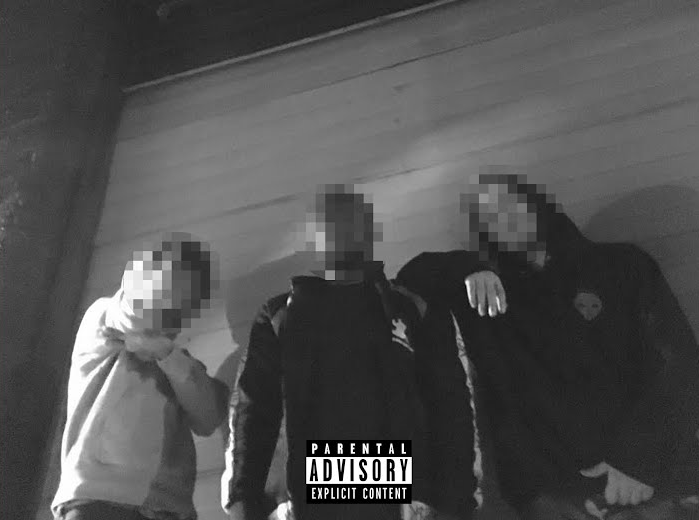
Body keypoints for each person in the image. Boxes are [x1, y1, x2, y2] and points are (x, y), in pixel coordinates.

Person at [395, 174, 699, 520]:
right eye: (489, 217)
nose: (504, 220)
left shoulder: (622, 266)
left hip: (663, 486)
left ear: (537, 205)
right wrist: (469, 268)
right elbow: (413, 275)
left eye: (511, 205)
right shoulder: (495, 300)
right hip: (562, 501)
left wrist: (637, 460)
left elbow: (681, 369)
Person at [222, 186, 479, 520]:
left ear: (369, 235)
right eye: (327, 228)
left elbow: (451, 403)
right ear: (312, 241)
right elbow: (252, 410)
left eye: (351, 226)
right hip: (305, 500)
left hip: (402, 501)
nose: (340, 236)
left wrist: (458, 503)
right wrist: (242, 501)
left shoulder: (412, 307)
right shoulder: (280, 315)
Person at [52, 234, 228, 520]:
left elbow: (207, 418)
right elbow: (132, 315)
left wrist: (167, 355)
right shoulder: (103, 319)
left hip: (167, 510)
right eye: (171, 287)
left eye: (188, 299)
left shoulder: (179, 363)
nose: (178, 306)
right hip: (98, 501)